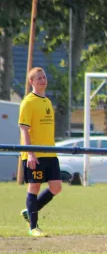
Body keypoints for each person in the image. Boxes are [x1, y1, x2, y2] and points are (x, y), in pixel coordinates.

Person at [18, 67, 62, 237]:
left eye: (44, 77)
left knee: (56, 187)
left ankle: (29, 211)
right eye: (38, 78)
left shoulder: (47, 102)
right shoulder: (28, 102)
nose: (43, 80)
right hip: (34, 153)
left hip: (50, 153)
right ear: (31, 82)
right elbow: (24, 130)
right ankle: (33, 227)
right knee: (34, 187)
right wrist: (30, 153)